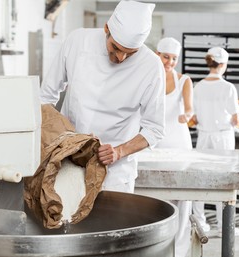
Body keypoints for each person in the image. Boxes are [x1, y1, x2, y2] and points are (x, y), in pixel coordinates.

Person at [40, 0, 166, 194]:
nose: (120, 58)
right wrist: (64, 138)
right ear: (106, 28)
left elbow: (155, 129)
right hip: (67, 163)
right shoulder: (78, 41)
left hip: (115, 175)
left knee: (115, 224)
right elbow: (45, 98)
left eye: (130, 53)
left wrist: (119, 151)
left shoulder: (152, 66)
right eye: (115, 47)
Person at [191, 46, 239, 236]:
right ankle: (224, 226)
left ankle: (201, 223)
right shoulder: (228, 87)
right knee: (224, 179)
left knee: (199, 179)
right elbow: (236, 119)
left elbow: (193, 118)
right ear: (223, 64)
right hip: (223, 138)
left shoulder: (198, 86)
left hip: (203, 136)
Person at [155, 37, 193, 257]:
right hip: (154, 143)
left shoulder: (184, 81)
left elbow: (189, 109)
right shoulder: (148, 78)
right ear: (157, 54)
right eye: (166, 57)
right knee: (157, 196)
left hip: (178, 142)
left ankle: (178, 255)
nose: (169, 62)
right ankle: (159, 249)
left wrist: (186, 116)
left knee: (182, 198)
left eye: (174, 58)